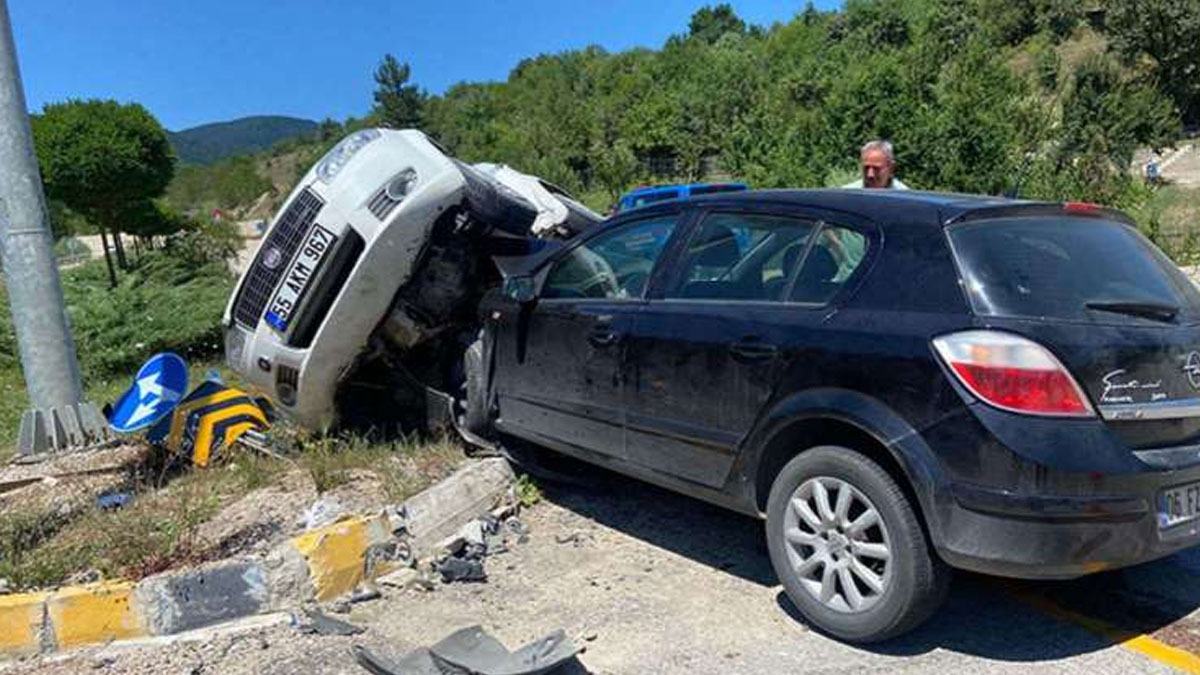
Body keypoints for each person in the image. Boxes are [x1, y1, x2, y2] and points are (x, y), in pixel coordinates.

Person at [843, 140, 910, 189]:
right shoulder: (848, 195)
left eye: (876, 169)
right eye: (866, 168)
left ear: (891, 169)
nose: (870, 174)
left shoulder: (904, 198)